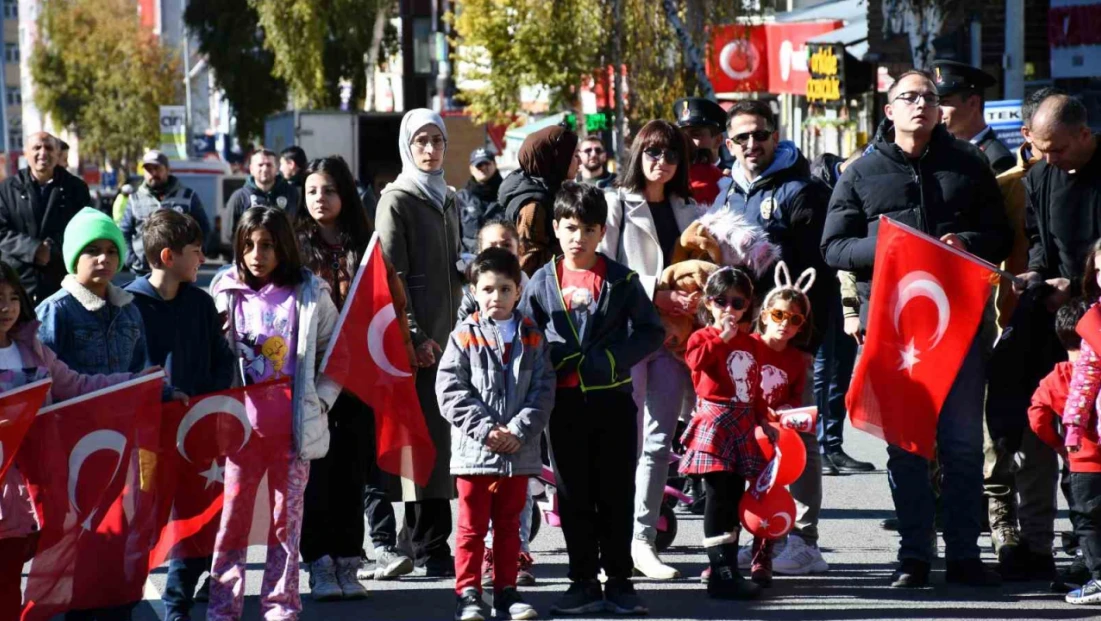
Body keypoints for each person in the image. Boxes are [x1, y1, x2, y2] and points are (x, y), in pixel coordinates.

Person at [822, 69, 1012, 588]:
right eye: (908, 97)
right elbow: (833, 246)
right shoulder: (860, 172)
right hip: (893, 329)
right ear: (889, 110)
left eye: (928, 97)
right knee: (906, 446)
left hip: (959, 325)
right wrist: (886, 246)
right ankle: (913, 555)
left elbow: (1000, 235)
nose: (920, 105)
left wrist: (966, 242)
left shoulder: (968, 164)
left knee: (962, 445)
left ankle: (965, 555)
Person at [520, 182, 664, 615]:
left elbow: (651, 332)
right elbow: (525, 334)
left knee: (616, 491)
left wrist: (613, 360)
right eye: (568, 228)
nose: (577, 237)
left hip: (614, 401)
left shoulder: (622, 280)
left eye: (587, 228)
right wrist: (546, 357)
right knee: (573, 494)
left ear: (601, 231)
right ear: (557, 231)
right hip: (562, 406)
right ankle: (582, 579)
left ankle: (619, 580)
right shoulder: (542, 281)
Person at [0, 261, 163, 619]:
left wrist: (133, 383)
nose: (7, 308)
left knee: (9, 582)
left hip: (30, 493)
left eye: (13, 298)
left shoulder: (33, 349)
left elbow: (75, 385)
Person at [710, 100, 862, 475]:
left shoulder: (802, 191)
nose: (751, 144)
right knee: (744, 435)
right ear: (728, 145)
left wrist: (805, 344)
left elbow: (818, 274)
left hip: (788, 340)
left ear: (774, 137)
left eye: (760, 135)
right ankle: (753, 522)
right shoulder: (725, 192)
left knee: (795, 436)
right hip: (740, 339)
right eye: (741, 137)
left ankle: (803, 532)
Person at [207, 207, 340, 620]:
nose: (256, 254)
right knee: (232, 523)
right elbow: (209, 356)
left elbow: (335, 354)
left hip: (293, 432)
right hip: (239, 435)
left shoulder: (311, 292)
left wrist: (320, 401)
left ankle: (280, 606)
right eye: (248, 245)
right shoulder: (223, 289)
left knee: (285, 526)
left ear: (283, 246)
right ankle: (223, 607)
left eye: (266, 245)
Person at [295, 155, 414, 599]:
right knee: (317, 475)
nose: (319, 199)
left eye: (327, 190)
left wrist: (409, 342)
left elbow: (393, 305)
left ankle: (348, 561)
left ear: (344, 194)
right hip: (311, 377)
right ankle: (319, 565)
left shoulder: (366, 247)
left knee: (352, 472)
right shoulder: (293, 246)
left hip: (360, 376)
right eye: (311, 192)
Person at [35, 207, 156, 620]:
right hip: (77, 447)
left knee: (122, 527)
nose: (103, 259)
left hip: (123, 441)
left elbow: (139, 368)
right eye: (92, 251)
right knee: (82, 532)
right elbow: (47, 381)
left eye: (110, 250)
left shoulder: (129, 309)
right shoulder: (56, 311)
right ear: (74, 259)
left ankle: (117, 601)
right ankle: (83, 607)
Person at [599, 119, 699, 580]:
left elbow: (706, 266)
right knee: (626, 440)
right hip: (630, 335)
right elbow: (604, 269)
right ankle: (612, 540)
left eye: (672, 155)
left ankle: (643, 540)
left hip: (675, 340)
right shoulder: (616, 201)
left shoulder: (690, 206)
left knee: (660, 442)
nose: (662, 162)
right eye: (653, 153)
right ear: (638, 155)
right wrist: (659, 288)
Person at [124, 209, 236, 620]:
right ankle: (122, 599)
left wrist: (209, 400)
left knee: (194, 521)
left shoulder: (201, 303)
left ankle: (177, 606)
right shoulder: (129, 305)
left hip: (196, 437)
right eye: (195, 251)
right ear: (169, 256)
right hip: (148, 441)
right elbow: (125, 371)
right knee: (144, 524)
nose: (203, 258)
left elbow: (221, 360)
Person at [437, 247, 555, 621]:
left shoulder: (533, 337)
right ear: (474, 291)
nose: (496, 297)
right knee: (471, 528)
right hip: (476, 454)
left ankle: (506, 592)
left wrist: (518, 430)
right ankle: (468, 593)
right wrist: (486, 430)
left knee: (509, 527)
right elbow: (451, 391)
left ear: (518, 291)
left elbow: (543, 389)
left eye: (505, 289)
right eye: (487, 289)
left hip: (517, 453)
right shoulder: (462, 336)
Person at [375, 109, 463, 576]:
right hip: (421, 343)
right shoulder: (398, 199)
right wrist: (415, 336)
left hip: (454, 340)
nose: (430, 150)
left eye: (438, 141)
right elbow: (392, 278)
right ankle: (431, 546)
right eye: (421, 141)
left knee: (442, 440)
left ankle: (417, 541)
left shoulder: (448, 197)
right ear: (407, 147)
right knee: (424, 441)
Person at [981, 88, 1064, 580]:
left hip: (1059, 329)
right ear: (1027, 136)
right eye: (1042, 144)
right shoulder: (1007, 186)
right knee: (998, 440)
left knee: (1042, 438)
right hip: (1006, 327)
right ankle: (1002, 529)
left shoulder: (1079, 179)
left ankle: (1038, 540)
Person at [677, 265, 767, 600]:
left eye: (738, 302)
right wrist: (722, 337)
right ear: (708, 303)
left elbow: (754, 388)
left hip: (742, 422)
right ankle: (720, 571)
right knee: (716, 498)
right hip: (715, 423)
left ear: (748, 305)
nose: (729, 309)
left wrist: (762, 420)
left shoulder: (753, 343)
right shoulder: (702, 337)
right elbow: (697, 364)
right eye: (721, 301)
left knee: (734, 498)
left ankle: (728, 568)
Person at [749, 264, 829, 579]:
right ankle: (763, 538)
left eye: (794, 319)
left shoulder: (798, 360)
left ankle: (804, 542)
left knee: (803, 445)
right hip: (752, 425)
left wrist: (783, 413)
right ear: (765, 314)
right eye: (780, 315)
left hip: (780, 425)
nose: (785, 323)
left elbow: (798, 402)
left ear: (801, 327)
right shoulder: (749, 346)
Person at [1022, 94, 1101, 306]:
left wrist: (1075, 287)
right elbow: (1037, 236)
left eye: (1057, 150)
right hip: (1062, 310)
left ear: (1084, 134)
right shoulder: (1040, 177)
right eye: (1043, 150)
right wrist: (1036, 272)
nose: (1050, 159)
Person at [0, 132, 92, 304]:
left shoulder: (76, 188)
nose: (43, 153)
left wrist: (52, 249)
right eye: (37, 147)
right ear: (26, 153)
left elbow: (85, 230)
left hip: (63, 283)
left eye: (49, 148)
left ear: (58, 154)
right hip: (18, 285)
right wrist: (33, 249)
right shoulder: (6, 190)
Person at [1058, 251, 1101, 605]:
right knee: (1092, 509)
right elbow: (1084, 380)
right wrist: (1073, 425)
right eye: (1100, 271)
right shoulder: (1094, 321)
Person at [499, 125, 580, 276]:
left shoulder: (553, 192)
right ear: (557, 158)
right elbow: (529, 261)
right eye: (574, 155)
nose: (580, 161)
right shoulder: (533, 205)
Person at [120, 150, 211, 275]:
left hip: (178, 270)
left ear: (167, 169)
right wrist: (131, 259)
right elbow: (124, 231)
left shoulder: (187, 196)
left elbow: (204, 228)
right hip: (144, 271)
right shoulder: (135, 198)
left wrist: (198, 253)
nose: (153, 173)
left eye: (157, 168)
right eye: (148, 169)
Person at [931, 60, 1015, 175]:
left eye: (945, 103)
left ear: (973, 103)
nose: (938, 111)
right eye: (936, 103)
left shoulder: (997, 160)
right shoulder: (940, 152)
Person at [226, 149, 301, 238]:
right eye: (260, 165)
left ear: (276, 168)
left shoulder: (291, 193)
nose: (265, 169)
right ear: (251, 169)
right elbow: (231, 234)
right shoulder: (240, 197)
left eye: (269, 165)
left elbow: (298, 226)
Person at [673, 97, 728, 205]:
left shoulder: (732, 180)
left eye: (695, 134)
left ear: (718, 140)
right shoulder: (672, 178)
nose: (686, 142)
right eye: (682, 135)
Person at [457, 147, 505, 255]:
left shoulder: (507, 195)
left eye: (486, 164)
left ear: (494, 164)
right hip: (471, 261)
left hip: (502, 258)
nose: (483, 168)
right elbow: (455, 237)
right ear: (471, 168)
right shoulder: (461, 199)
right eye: (478, 165)